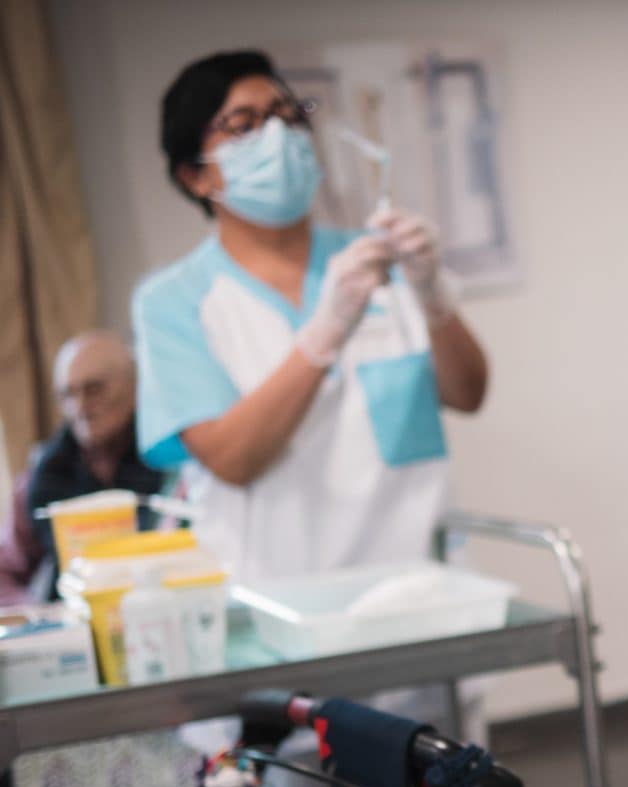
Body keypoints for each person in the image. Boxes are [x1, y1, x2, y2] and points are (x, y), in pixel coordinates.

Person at [132, 50, 488, 582]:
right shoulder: (173, 302)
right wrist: (323, 337)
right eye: (244, 126)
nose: (277, 136)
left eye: (287, 116)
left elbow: (468, 393)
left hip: (418, 585)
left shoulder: (379, 257)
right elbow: (232, 459)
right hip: (279, 597)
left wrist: (433, 295)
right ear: (194, 176)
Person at [0, 332, 165, 605]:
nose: (80, 407)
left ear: (134, 386)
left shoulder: (171, 464)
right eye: (68, 394)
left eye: (94, 389)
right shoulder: (41, 476)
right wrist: (39, 614)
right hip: (73, 618)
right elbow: (5, 569)